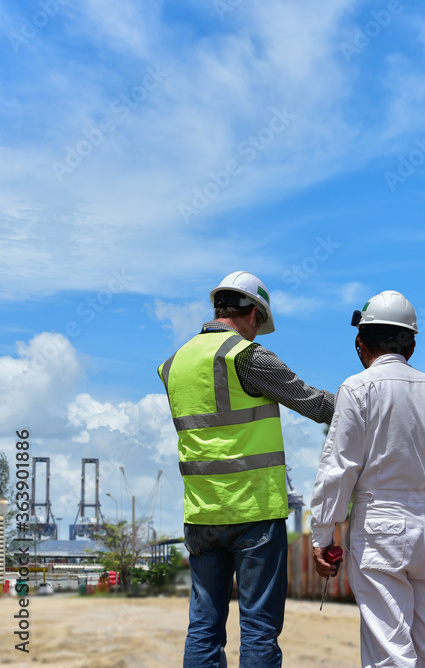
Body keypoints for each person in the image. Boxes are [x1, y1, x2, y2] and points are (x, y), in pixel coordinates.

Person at [158, 271, 336, 668]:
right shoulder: (247, 356)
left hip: (202, 514)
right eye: (260, 324)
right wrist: (366, 402)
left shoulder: (173, 365)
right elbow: (316, 405)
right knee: (258, 628)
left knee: (203, 627)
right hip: (254, 512)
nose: (258, 333)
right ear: (254, 312)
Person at [310, 290, 425, 668]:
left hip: (381, 529)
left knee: (390, 652)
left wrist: (321, 535)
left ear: (360, 343)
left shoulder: (358, 388)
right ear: (410, 345)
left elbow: (339, 467)